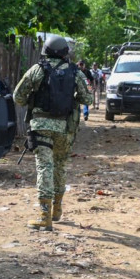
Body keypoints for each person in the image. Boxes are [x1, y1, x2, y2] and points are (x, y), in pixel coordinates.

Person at [13, 36, 91, 231]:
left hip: (41, 126)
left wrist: (34, 98)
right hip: (65, 127)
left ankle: (44, 215)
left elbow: (18, 97)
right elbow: (87, 98)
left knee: (45, 167)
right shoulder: (75, 72)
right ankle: (57, 209)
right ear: (65, 52)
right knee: (60, 166)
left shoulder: (37, 69)